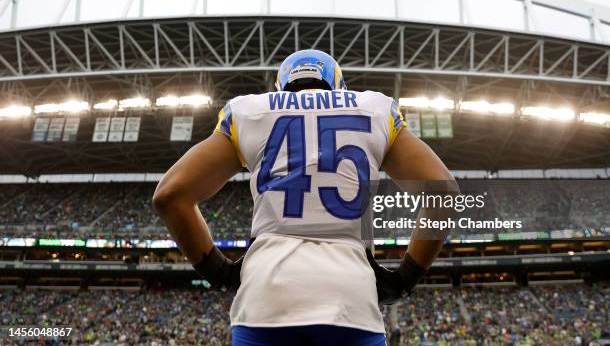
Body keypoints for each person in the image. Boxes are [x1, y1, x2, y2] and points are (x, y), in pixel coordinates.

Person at [153, 49, 457, 345]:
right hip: (351, 298)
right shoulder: (376, 109)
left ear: (281, 87)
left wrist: (218, 271)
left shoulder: (249, 111)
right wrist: (404, 279)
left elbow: (170, 195)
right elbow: (442, 192)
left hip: (265, 297)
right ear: (338, 84)